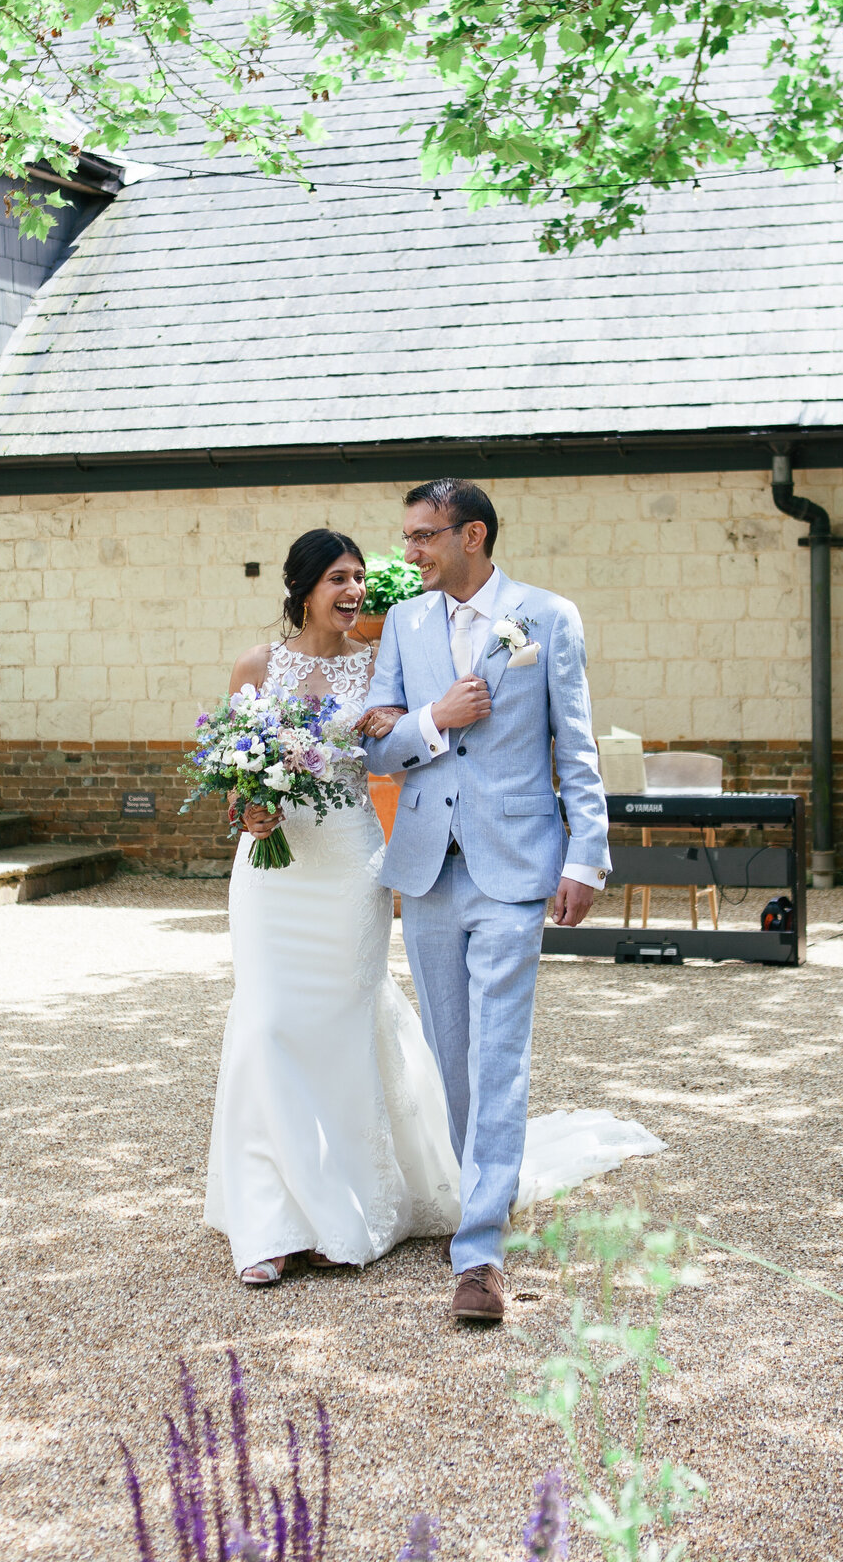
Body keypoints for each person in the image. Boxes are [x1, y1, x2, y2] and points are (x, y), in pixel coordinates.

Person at [204, 523, 663, 1295]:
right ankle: (269, 1221)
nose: (354, 593)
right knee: (266, 1023)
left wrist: (438, 718)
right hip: (273, 871)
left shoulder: (378, 661)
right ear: (303, 589)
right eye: (338, 581)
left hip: (350, 859)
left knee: (347, 1029)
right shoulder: (257, 665)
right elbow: (229, 773)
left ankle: (340, 1211)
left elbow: (396, 748)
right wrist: (246, 809)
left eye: (358, 579)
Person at [361, 477, 621, 1323]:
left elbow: (575, 749)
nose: (408, 554)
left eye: (423, 537)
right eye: (404, 538)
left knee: (498, 1052)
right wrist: (434, 717)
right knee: (450, 1055)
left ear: (472, 535)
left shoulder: (548, 619)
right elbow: (380, 749)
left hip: (516, 866)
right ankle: (489, 1194)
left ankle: (478, 1257)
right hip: (431, 867)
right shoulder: (403, 622)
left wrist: (588, 857)